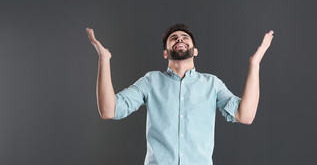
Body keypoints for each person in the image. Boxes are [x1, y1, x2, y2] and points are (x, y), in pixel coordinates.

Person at [86, 23, 274, 165]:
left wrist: (255, 64)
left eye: (184, 37)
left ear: (195, 50)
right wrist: (104, 59)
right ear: (165, 53)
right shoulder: (151, 81)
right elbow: (109, 110)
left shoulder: (212, 84)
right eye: (173, 38)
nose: (180, 39)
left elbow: (246, 115)